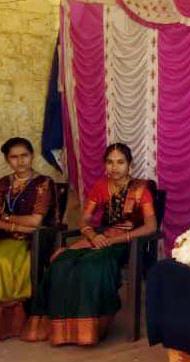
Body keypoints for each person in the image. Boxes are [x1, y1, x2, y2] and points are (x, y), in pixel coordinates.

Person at [22, 143, 157, 345]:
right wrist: (92, 236)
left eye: (120, 162)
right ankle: (63, 330)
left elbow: (150, 227)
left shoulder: (141, 190)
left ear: (130, 165)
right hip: (99, 237)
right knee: (62, 263)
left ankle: (90, 328)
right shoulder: (101, 186)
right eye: (110, 162)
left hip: (128, 242)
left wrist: (113, 240)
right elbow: (84, 219)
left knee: (92, 266)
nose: (114, 167)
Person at [0, 138, 53, 340]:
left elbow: (36, 221)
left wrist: (6, 220)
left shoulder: (43, 183)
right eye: (14, 157)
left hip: (32, 241)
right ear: (7, 160)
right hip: (5, 237)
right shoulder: (3, 183)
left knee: (3, 261)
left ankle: (10, 323)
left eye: (24, 155)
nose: (20, 161)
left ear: (32, 156)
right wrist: (15, 225)